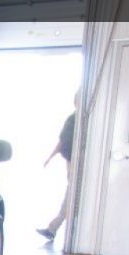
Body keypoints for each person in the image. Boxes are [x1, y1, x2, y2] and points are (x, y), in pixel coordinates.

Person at [37, 94, 78, 241]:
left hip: (76, 162)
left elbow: (62, 142)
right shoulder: (74, 119)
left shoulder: (77, 119)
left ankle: (53, 228)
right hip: (72, 161)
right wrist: (50, 157)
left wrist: (51, 157)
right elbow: (62, 142)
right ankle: (53, 229)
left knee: (71, 196)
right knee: (72, 196)